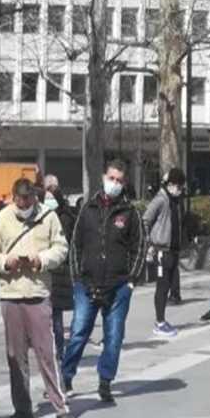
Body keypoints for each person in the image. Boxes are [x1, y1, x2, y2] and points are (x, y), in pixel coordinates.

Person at [0, 177, 75, 418]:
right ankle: (22, 408)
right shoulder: (2, 218)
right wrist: (6, 262)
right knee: (15, 356)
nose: (24, 205)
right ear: (13, 198)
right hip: (11, 294)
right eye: (20, 201)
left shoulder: (48, 216)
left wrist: (41, 260)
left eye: (29, 200)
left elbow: (61, 248)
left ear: (35, 198)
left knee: (47, 353)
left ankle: (61, 405)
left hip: (38, 293)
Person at [61, 159, 146, 404]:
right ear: (103, 177)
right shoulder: (88, 209)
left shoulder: (130, 213)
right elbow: (75, 245)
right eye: (111, 178)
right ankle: (65, 378)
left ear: (124, 183)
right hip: (86, 283)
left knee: (114, 336)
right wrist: (76, 277)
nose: (114, 183)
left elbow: (140, 247)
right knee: (78, 332)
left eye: (119, 180)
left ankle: (105, 381)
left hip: (118, 286)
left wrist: (131, 281)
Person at [142, 168, 186, 337]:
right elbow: (145, 220)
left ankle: (162, 320)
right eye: (178, 187)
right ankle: (159, 322)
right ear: (171, 184)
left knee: (167, 285)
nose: (180, 190)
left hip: (172, 249)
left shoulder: (174, 200)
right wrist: (149, 243)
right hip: (161, 249)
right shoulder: (160, 200)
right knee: (162, 286)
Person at [41, 176, 77, 362]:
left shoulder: (65, 217)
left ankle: (58, 350)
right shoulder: (40, 215)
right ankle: (50, 349)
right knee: (47, 316)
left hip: (59, 273)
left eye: (53, 189)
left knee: (55, 316)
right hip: (44, 270)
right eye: (48, 189)